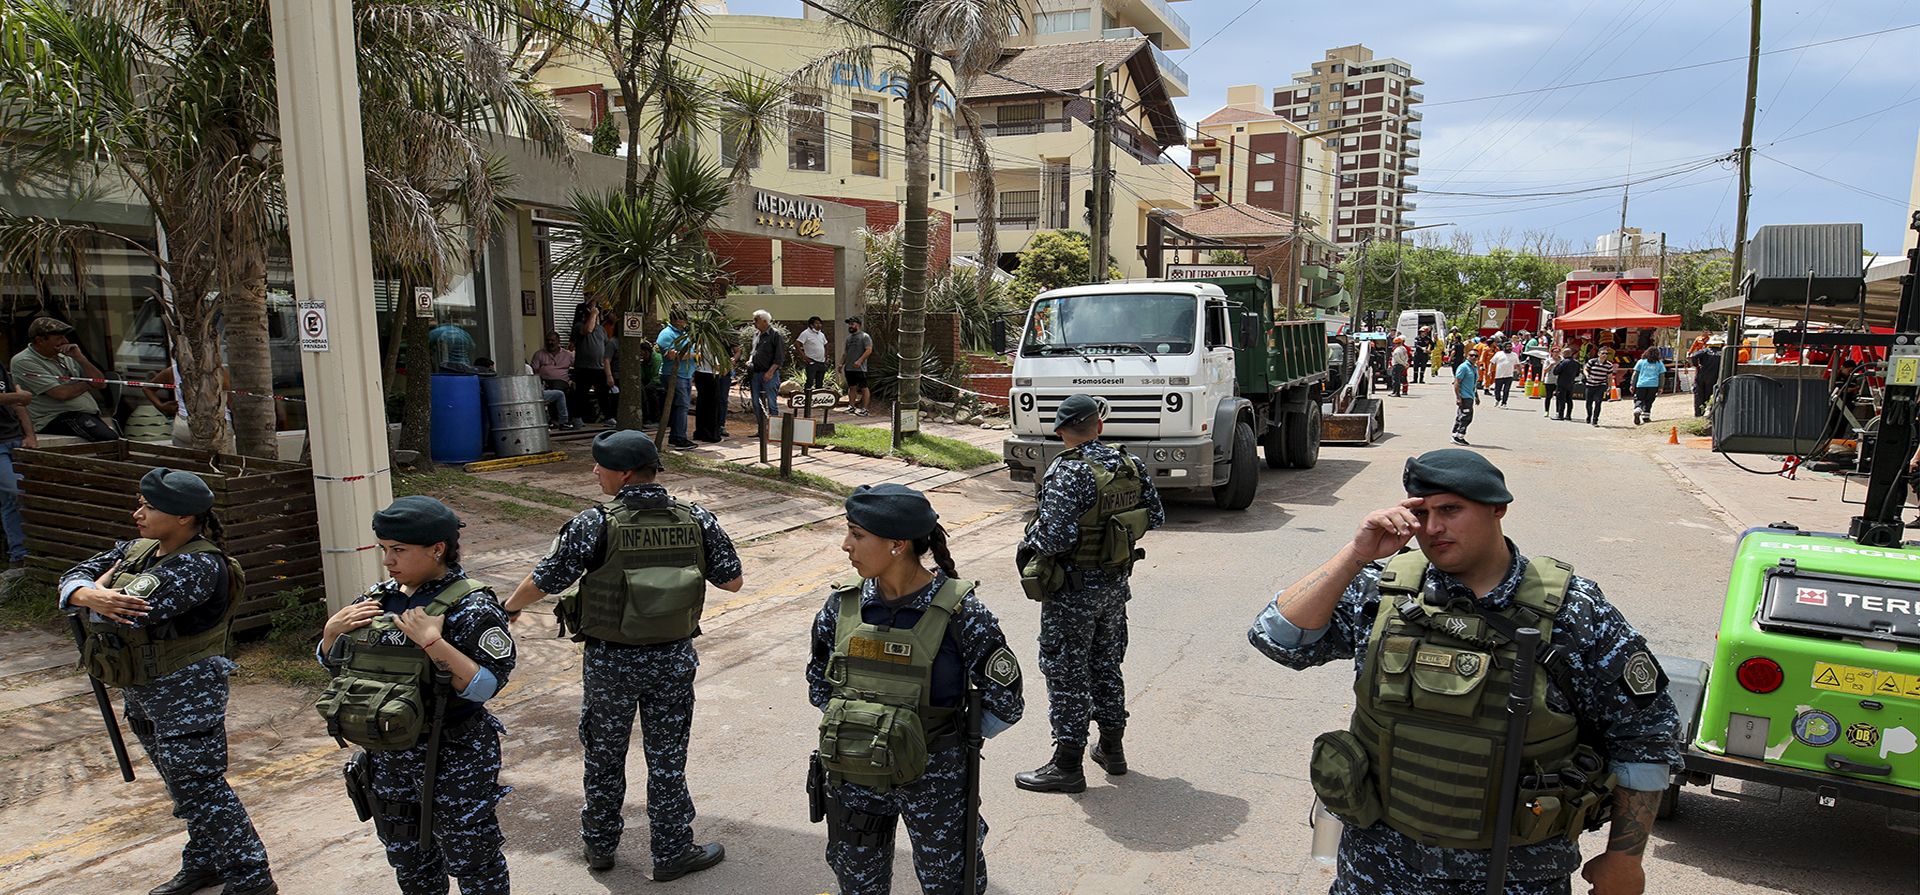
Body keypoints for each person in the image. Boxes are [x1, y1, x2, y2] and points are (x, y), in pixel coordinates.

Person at [1248, 449, 1681, 895]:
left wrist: (1625, 859)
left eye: (1451, 510)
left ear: (1498, 508)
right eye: (1422, 512)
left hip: (1516, 875)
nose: (1433, 528)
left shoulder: (1574, 612)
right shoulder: (1384, 592)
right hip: (1378, 867)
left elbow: (1645, 734)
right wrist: (1355, 554)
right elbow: (1278, 639)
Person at [503, 430, 741, 879]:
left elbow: (547, 579)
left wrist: (511, 607)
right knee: (668, 758)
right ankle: (672, 852)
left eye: (600, 465)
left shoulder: (595, 522)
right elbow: (732, 581)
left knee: (603, 756)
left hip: (611, 662)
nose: (594, 471)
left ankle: (600, 846)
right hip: (672, 659)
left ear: (625, 473)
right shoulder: (697, 518)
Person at [63, 468, 275, 895]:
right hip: (142, 688)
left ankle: (251, 876)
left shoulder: (198, 564)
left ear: (182, 517)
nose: (137, 513)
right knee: (180, 784)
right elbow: (73, 579)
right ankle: (205, 861)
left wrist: (95, 596)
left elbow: (129, 610)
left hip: (187, 692)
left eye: (149, 507)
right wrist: (88, 592)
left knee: (199, 786)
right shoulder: (140, 549)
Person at [807, 483, 1025, 895]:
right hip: (855, 775)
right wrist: (868, 727)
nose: (845, 545)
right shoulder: (842, 607)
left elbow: (1006, 700)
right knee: (857, 884)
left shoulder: (963, 615)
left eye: (856, 534)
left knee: (949, 885)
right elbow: (820, 682)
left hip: (935, 778)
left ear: (897, 544)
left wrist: (941, 741)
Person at [317, 497, 515, 895]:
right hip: (388, 755)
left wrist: (432, 642)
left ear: (437, 549)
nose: (388, 561)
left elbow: (484, 687)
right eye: (385, 549)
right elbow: (339, 667)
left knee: (473, 860)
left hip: (454, 754)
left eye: (399, 550)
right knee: (409, 860)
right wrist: (330, 633)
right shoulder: (379, 599)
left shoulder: (471, 606)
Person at [1013, 394, 1164, 793]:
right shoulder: (1129, 463)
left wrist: (1032, 536)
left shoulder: (1068, 472)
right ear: (1098, 425)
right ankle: (1112, 750)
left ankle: (1067, 764)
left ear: (1061, 431)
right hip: (1115, 586)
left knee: (1066, 671)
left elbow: (1056, 537)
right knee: (1106, 663)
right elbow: (1156, 516)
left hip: (1073, 591)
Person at [12, 316, 116, 441]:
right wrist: (88, 384)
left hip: (85, 414)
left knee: (113, 439)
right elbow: (60, 393)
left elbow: (100, 383)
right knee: (109, 439)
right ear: (40, 341)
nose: (65, 341)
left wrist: (80, 358)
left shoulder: (65, 357)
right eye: (59, 338)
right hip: (56, 417)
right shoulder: (24, 361)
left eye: (64, 337)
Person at [0, 357, 32, 572]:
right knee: (18, 490)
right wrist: (19, 396)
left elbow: (18, 404)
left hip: (14, 437)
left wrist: (30, 434)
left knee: (10, 501)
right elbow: (18, 397)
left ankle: (19, 555)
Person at [655, 310, 698, 449]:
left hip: (685, 374)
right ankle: (679, 438)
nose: (685, 322)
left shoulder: (684, 333)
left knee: (680, 406)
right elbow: (671, 355)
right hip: (674, 374)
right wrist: (693, 355)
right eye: (683, 319)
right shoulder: (667, 334)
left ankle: (676, 435)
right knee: (681, 406)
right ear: (678, 320)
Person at [571, 306, 615, 427]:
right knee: (581, 394)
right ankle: (577, 418)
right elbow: (588, 330)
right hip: (583, 367)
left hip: (599, 367)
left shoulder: (601, 330)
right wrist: (594, 313)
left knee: (603, 394)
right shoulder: (579, 327)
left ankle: (608, 417)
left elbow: (606, 345)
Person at [748, 309, 787, 427]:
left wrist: (770, 372)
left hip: (769, 374)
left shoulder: (775, 335)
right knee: (756, 403)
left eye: (756, 320)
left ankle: (774, 430)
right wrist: (750, 360)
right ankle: (762, 429)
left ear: (765, 321)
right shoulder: (756, 334)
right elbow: (753, 351)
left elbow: (779, 357)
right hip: (755, 373)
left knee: (771, 403)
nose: (754, 323)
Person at [840, 316, 874, 416]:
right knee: (852, 387)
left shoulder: (864, 336)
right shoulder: (849, 338)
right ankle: (851, 406)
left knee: (864, 387)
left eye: (852, 324)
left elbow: (869, 350)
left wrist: (860, 361)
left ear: (858, 325)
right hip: (849, 368)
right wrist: (841, 363)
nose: (850, 326)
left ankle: (865, 409)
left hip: (860, 368)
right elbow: (845, 353)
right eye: (849, 324)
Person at [1583, 346, 1619, 427]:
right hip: (1590, 384)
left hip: (1600, 385)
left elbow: (1609, 377)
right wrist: (1587, 375)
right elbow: (1585, 369)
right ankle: (1589, 416)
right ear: (1598, 354)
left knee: (1598, 402)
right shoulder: (1592, 361)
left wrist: (1609, 387)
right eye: (1603, 353)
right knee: (1589, 402)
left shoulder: (1609, 365)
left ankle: (1595, 420)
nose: (1605, 355)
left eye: (1606, 353)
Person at [1630, 347, 1666, 426]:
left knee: (1639, 399)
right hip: (1653, 385)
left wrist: (1632, 385)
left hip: (1641, 384)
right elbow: (1662, 376)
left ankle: (1637, 410)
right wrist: (1661, 387)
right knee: (1649, 400)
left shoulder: (1641, 362)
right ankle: (1646, 416)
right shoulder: (1659, 363)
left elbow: (1635, 374)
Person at [1687, 337, 1721, 418]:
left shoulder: (1705, 351)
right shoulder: (1723, 352)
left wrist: (1696, 365)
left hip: (1702, 376)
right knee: (1712, 395)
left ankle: (1699, 414)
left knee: (1699, 395)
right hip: (1715, 378)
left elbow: (1693, 356)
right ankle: (1712, 415)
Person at [1452, 351, 1480, 446]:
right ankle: (1459, 436)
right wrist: (1458, 397)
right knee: (1466, 417)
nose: (1473, 357)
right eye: (1471, 355)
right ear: (1467, 356)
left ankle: (1455, 434)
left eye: (1476, 356)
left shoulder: (1474, 368)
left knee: (1462, 416)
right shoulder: (1464, 367)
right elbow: (1457, 382)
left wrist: (1476, 396)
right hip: (1464, 396)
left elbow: (1473, 384)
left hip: (1470, 396)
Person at [798, 316, 830, 392]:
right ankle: (807, 399)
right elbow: (797, 344)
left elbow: (826, 344)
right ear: (811, 325)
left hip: (821, 362)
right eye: (817, 323)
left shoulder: (821, 334)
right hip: (812, 361)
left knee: (820, 382)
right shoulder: (805, 333)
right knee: (810, 381)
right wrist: (803, 356)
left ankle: (818, 399)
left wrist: (826, 355)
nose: (819, 325)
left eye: (820, 323)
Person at [1551, 348, 1583, 421]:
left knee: (1561, 399)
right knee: (1569, 400)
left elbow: (1556, 372)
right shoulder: (1576, 363)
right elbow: (1577, 374)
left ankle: (1560, 415)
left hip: (1562, 383)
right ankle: (1568, 415)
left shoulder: (1563, 362)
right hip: (1571, 383)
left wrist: (1558, 365)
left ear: (1565, 354)